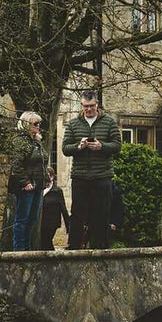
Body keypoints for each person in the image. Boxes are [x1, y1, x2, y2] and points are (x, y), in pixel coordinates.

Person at [61, 90, 121, 249]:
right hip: (80, 176)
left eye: (91, 106)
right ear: (82, 105)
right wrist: (78, 146)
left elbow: (117, 146)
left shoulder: (109, 122)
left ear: (97, 104)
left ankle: (99, 247)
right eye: (85, 106)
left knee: (101, 213)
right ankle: (73, 247)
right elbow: (65, 148)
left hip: (102, 176)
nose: (88, 109)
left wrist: (102, 146)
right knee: (77, 213)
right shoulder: (73, 124)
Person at [7, 111, 48, 251]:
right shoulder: (20, 141)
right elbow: (16, 165)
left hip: (37, 186)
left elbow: (41, 163)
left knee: (32, 220)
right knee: (22, 220)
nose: (38, 127)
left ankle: (27, 249)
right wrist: (25, 182)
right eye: (35, 124)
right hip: (26, 187)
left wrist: (46, 178)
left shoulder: (36, 141)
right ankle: (19, 251)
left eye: (39, 124)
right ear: (26, 125)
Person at [37, 168, 70, 250]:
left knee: (46, 240)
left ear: (52, 177)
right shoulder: (39, 189)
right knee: (43, 243)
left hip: (52, 222)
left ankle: (51, 260)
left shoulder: (57, 191)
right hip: (40, 221)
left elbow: (63, 208)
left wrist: (68, 226)